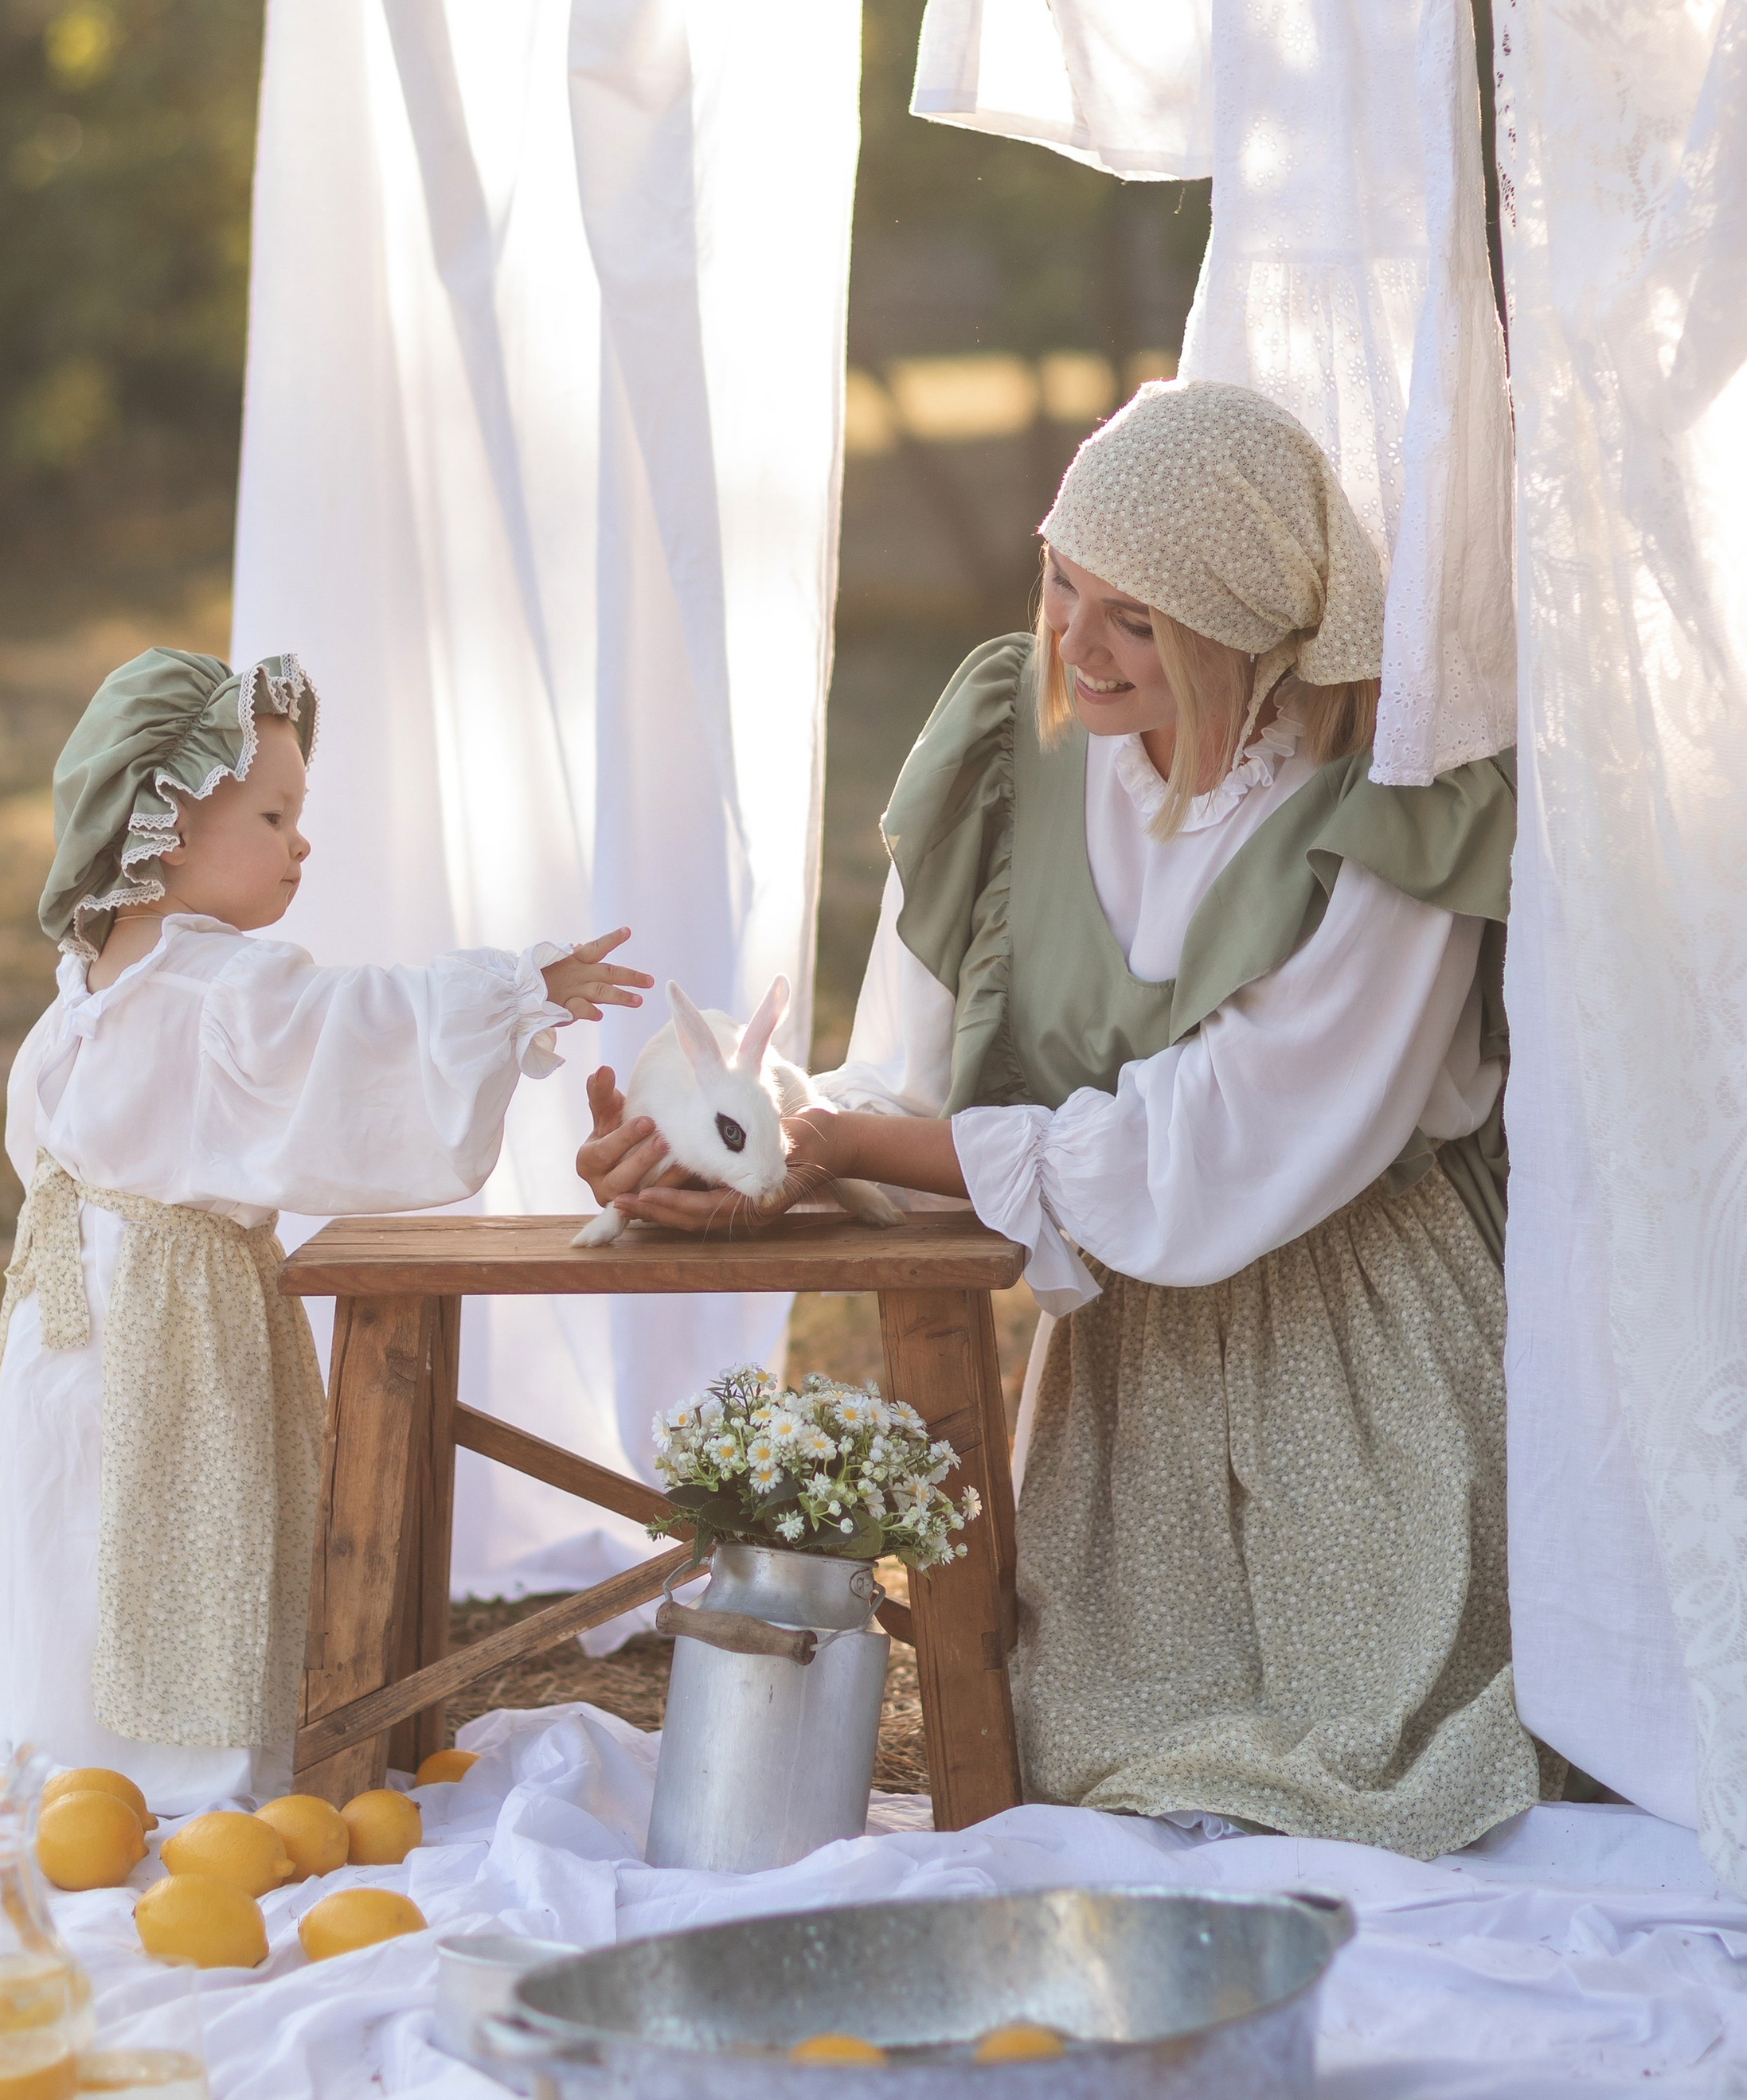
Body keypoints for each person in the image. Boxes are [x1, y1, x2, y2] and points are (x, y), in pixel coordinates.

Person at [580, 382, 1541, 1857]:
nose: (1073, 644)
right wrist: (741, 1139)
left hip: (1357, 1344)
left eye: (1136, 621)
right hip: (1133, 1380)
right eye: (1060, 581)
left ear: (1250, 634)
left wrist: (850, 1148)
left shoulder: (1387, 804)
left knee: (1377, 1767)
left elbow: (1216, 1147)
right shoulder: (1004, 748)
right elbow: (903, 1090)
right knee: (1111, 1775)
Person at [0, 646, 647, 1813]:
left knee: (108, 1533)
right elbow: (357, 1024)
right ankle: (152, 1773)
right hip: (147, 1329)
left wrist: (509, 988)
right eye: (275, 813)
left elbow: (352, 1021)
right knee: (133, 1535)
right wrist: (517, 991)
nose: (302, 841)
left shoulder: (115, 982)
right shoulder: (189, 991)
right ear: (168, 821)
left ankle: (97, 1768)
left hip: (96, 1319)